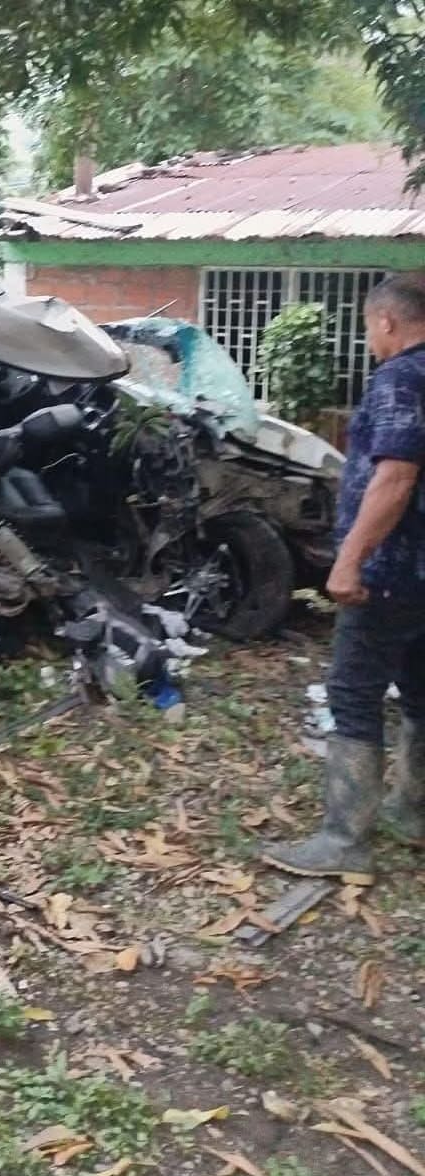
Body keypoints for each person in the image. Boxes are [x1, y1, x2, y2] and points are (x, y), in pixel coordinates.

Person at [262, 273, 425, 885]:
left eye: (368, 327)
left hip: (391, 573)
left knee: (354, 696)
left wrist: (350, 559)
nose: (370, 339)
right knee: (418, 692)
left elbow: (395, 478)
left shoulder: (400, 379)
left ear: (385, 321)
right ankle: (411, 812)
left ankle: (344, 841)